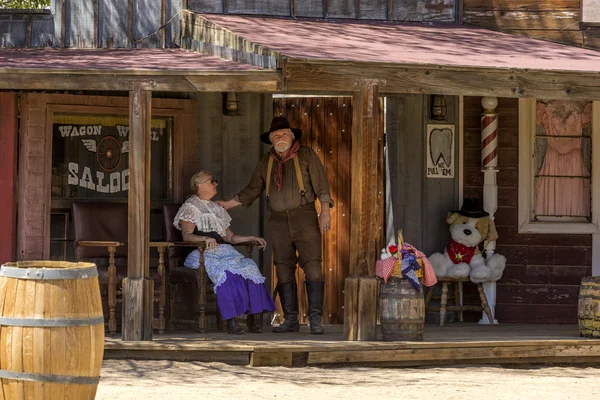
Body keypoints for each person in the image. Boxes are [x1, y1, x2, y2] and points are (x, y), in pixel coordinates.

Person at [218, 116, 333, 334]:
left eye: (284, 134)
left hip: (305, 217)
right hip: (278, 221)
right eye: (276, 135)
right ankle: (291, 320)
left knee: (313, 267)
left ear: (292, 136)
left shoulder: (306, 155)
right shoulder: (266, 161)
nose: (280, 138)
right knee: (283, 268)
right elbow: (252, 190)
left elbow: (322, 186)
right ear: (271, 140)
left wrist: (325, 212)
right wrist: (226, 204)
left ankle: (315, 320)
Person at [173, 170, 276, 335]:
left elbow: (230, 237)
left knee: (250, 267)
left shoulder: (217, 208)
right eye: (212, 181)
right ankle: (231, 320)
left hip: (223, 250)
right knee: (227, 273)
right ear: (199, 185)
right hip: (201, 253)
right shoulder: (191, 206)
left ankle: (253, 319)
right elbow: (187, 235)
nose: (216, 184)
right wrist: (204, 239)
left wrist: (250, 237)